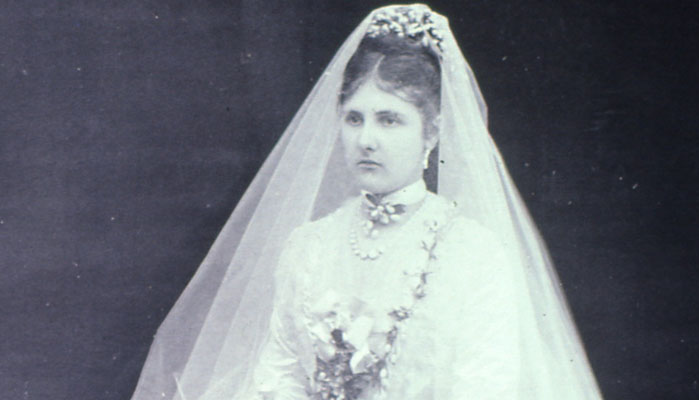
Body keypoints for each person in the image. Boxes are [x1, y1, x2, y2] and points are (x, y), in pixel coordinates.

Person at [131, 4, 603, 400]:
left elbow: (484, 387)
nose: (366, 139)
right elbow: (279, 376)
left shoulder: (473, 253)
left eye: (390, 120)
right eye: (354, 119)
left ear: (432, 132)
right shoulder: (309, 245)